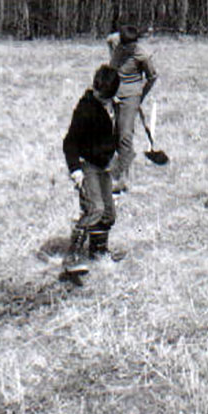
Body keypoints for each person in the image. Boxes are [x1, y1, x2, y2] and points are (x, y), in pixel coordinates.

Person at [62, 64, 120, 274]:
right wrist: (75, 170)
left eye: (106, 96)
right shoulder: (85, 109)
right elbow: (69, 142)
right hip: (86, 165)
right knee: (95, 208)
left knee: (108, 213)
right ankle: (72, 257)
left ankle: (98, 251)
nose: (101, 97)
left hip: (103, 166)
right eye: (99, 94)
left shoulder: (113, 106)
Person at [106, 24, 158, 193]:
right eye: (123, 44)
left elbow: (152, 77)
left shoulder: (143, 55)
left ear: (134, 44)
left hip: (131, 96)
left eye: (129, 46)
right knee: (112, 133)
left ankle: (123, 178)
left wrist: (139, 96)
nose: (125, 49)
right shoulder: (116, 43)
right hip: (113, 94)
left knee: (125, 135)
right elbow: (110, 39)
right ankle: (115, 163)